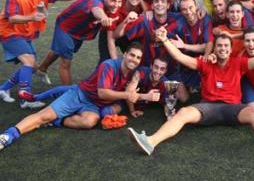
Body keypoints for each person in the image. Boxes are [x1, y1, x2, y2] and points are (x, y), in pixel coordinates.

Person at [127, 26, 254, 161]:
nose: (222, 48)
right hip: (208, 107)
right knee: (183, 113)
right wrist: (166, 40)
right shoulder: (205, 63)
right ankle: (150, 141)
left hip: (233, 108)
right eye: (219, 46)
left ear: (231, 50)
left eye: (226, 46)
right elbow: (181, 57)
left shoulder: (239, 63)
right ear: (215, 49)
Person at [0, 43, 160, 151]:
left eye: (138, 58)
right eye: (132, 55)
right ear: (124, 54)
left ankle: (57, 121)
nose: (134, 60)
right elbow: (103, 92)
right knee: (43, 115)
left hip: (94, 107)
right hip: (80, 95)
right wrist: (129, 94)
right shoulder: (109, 65)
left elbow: (134, 89)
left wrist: (142, 98)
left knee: (89, 122)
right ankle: (9, 134)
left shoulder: (135, 72)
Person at [0, 0, 87, 108]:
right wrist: (32, 17)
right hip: (9, 32)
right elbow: (12, 18)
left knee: (33, 66)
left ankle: (3, 89)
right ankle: (25, 99)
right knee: (28, 62)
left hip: (24, 33)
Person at [37, 0, 123, 85]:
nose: (116, 5)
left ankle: (42, 68)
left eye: (119, 2)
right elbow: (96, 9)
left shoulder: (111, 1)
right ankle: (67, 92)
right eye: (113, 1)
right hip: (66, 27)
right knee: (66, 60)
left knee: (60, 49)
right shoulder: (97, 1)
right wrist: (103, 17)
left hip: (80, 31)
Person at [170, 0, 214, 92]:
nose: (188, 12)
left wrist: (184, 46)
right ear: (181, 11)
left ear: (196, 6)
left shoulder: (205, 19)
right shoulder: (179, 23)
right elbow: (164, 35)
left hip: (204, 60)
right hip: (187, 62)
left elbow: (209, 44)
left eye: (190, 8)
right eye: (184, 9)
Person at [97, 0, 143, 64]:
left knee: (134, 60)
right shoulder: (116, 7)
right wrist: (115, 62)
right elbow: (111, 39)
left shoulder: (141, 7)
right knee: (106, 63)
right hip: (109, 34)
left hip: (126, 34)